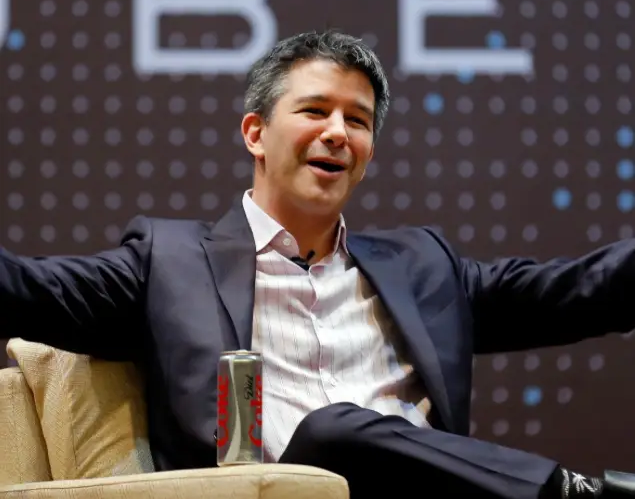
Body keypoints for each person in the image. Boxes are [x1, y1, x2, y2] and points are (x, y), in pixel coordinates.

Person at [1, 29, 635, 499]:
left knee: (347, 431)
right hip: (271, 497)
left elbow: (583, 290)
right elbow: (26, 289)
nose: (338, 132)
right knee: (332, 433)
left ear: (368, 152)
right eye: (315, 111)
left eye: (357, 121)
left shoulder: (422, 267)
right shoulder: (168, 263)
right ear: (255, 133)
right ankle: (573, 494)